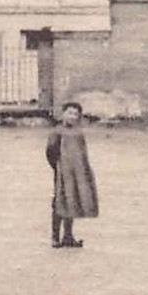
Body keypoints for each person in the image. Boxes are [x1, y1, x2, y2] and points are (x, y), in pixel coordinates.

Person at [45, 101, 98, 248]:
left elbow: (82, 153)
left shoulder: (78, 132)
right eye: (70, 113)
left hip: (77, 173)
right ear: (63, 114)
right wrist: (58, 168)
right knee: (59, 202)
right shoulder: (57, 132)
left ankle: (68, 236)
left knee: (73, 201)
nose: (73, 117)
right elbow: (50, 152)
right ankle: (55, 237)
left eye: (76, 114)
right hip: (62, 172)